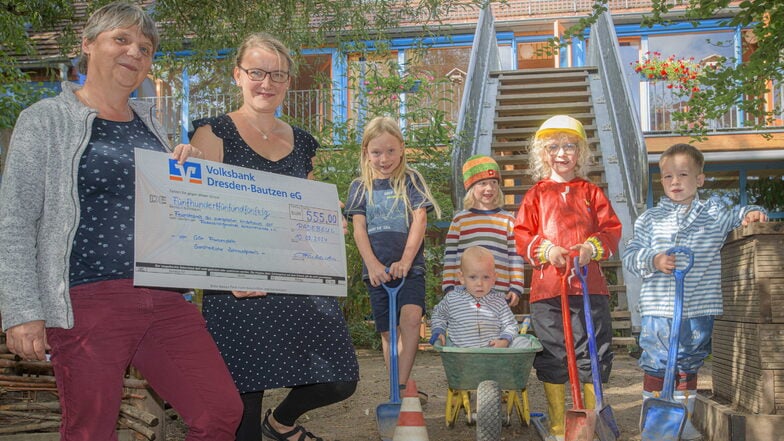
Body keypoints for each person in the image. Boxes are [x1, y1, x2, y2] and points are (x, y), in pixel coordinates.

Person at [0, 3, 242, 440]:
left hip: (164, 296)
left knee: (219, 411)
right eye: (121, 39)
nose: (135, 51)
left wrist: (190, 174)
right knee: (91, 430)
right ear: (87, 45)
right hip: (88, 299)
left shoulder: (152, 126)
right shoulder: (45, 120)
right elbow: (14, 219)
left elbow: (176, 218)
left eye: (145, 47)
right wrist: (21, 311)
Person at [188, 33, 359, 441]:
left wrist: (329, 224)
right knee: (243, 410)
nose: (267, 83)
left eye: (277, 75)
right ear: (238, 75)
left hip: (300, 283)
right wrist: (223, 277)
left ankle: (280, 425)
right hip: (238, 290)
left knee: (340, 379)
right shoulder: (213, 134)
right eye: (257, 72)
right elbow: (193, 217)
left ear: (287, 82)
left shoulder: (302, 142)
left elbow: (309, 209)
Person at [622, 143, 767, 441]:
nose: (675, 182)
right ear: (661, 181)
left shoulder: (714, 215)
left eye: (683, 175)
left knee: (689, 362)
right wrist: (654, 259)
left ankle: (682, 417)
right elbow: (631, 256)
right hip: (659, 309)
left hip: (699, 308)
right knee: (658, 362)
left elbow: (743, 212)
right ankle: (655, 421)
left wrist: (754, 212)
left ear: (699, 179)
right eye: (667, 177)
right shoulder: (649, 220)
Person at [513, 115, 622, 437]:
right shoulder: (536, 194)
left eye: (570, 146)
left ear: (581, 152)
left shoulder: (591, 192)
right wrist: (547, 251)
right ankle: (559, 421)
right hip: (548, 289)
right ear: (542, 153)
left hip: (590, 287)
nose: (562, 153)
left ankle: (590, 418)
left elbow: (611, 230)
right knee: (553, 352)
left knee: (594, 349)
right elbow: (522, 235)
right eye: (553, 146)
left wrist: (591, 248)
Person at [345, 115, 441, 399]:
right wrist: (373, 265)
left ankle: (399, 386)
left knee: (411, 319)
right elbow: (359, 229)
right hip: (377, 272)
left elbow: (420, 220)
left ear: (401, 148)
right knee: (388, 331)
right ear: (366, 152)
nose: (384, 158)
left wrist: (407, 261)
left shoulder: (411, 180)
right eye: (376, 152)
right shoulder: (359, 187)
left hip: (409, 268)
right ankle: (398, 390)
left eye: (390, 151)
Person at [441, 155, 524, 307]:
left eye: (494, 183)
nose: (489, 188)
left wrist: (516, 287)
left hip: (498, 293)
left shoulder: (508, 220)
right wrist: (448, 287)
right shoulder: (460, 220)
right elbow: (450, 256)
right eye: (483, 183)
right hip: (464, 294)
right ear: (471, 188)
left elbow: (515, 256)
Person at [430, 246, 518, 348]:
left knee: (522, 342)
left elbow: (510, 324)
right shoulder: (452, 298)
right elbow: (438, 315)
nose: (479, 283)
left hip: (493, 355)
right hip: (461, 355)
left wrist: (504, 340)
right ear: (461, 278)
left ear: (494, 278)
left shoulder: (499, 300)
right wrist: (439, 331)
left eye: (486, 277)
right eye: (473, 277)